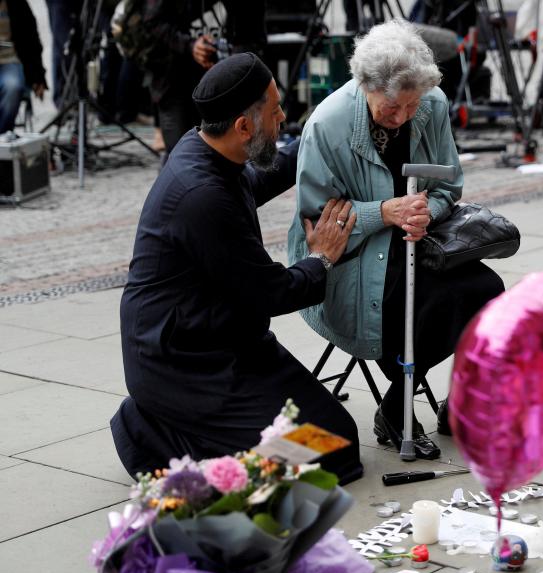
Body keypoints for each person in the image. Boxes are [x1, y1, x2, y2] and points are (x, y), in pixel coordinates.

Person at [111, 53, 363, 484]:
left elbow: (255, 180)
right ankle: (147, 428)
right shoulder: (200, 196)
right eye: (275, 111)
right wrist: (321, 257)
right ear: (243, 127)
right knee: (329, 449)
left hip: (223, 337)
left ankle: (179, 420)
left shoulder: (204, 146)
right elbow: (273, 291)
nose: (284, 117)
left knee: (335, 438)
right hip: (181, 362)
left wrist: (317, 141)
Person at [289, 20, 504, 460]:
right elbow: (319, 226)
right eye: (392, 107)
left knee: (486, 291)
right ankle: (401, 405)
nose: (403, 116)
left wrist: (429, 211)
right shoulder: (327, 125)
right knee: (413, 305)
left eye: (412, 104)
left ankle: (433, 402)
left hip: (414, 241)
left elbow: (448, 185)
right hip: (348, 257)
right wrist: (383, 211)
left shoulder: (433, 104)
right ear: (365, 85)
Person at [139, 0, 266, 155]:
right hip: (175, 81)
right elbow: (152, 21)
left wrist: (232, 62)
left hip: (227, 86)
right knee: (181, 153)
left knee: (228, 154)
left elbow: (253, 33)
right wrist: (190, 46)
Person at [0, 0, 47, 133]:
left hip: (8, 61)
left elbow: (31, 36)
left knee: (13, 86)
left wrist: (38, 75)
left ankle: (3, 139)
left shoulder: (15, 3)